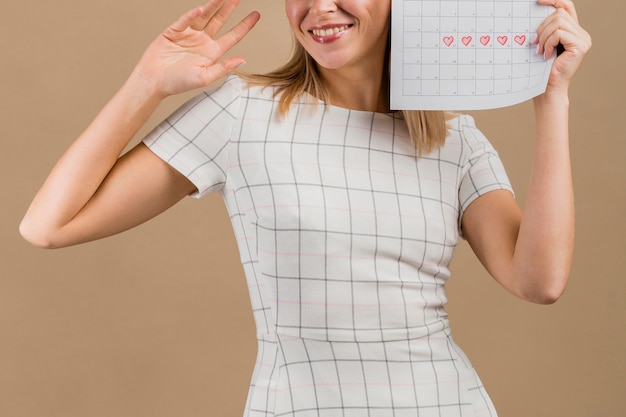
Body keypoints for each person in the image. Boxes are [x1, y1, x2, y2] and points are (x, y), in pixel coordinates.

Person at [20, 0, 591, 415]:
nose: (321, 8)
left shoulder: (455, 139)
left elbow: (538, 281)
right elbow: (48, 225)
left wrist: (551, 99)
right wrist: (145, 83)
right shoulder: (241, 115)